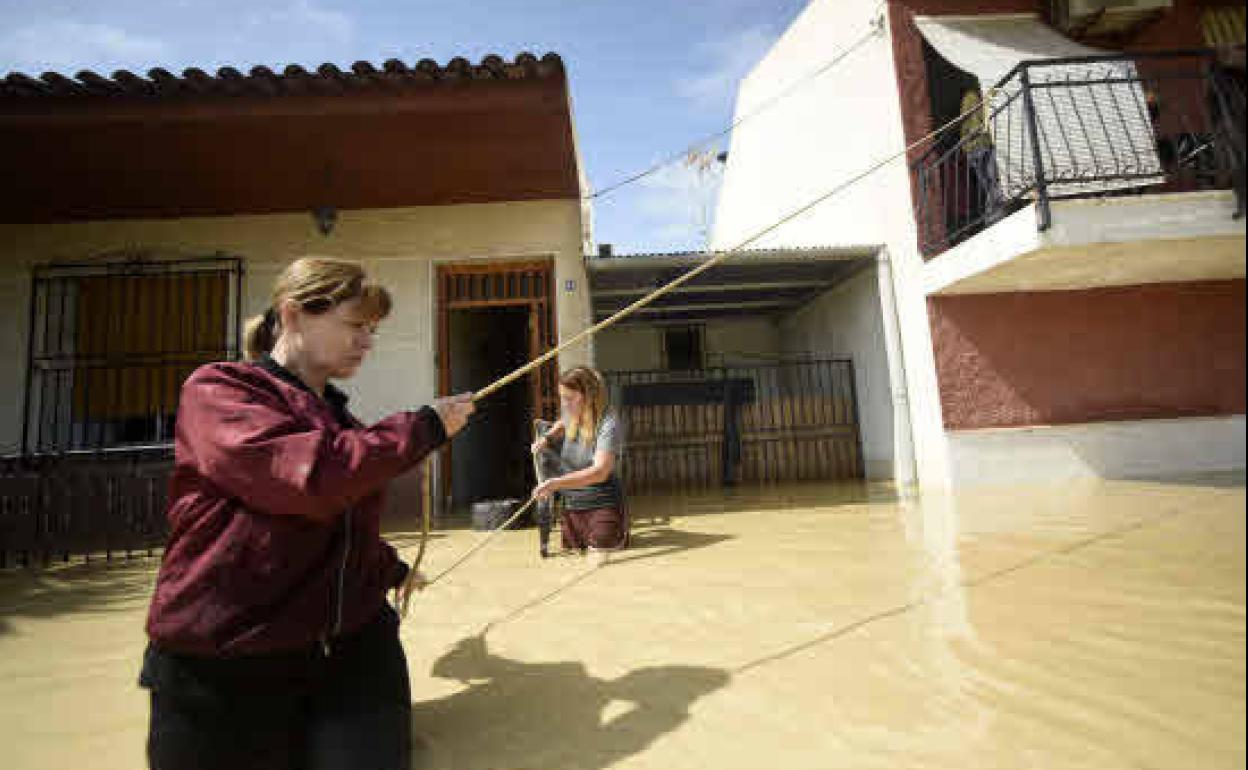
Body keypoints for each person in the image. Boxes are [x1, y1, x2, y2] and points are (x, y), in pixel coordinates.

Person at [139, 257, 475, 770]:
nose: (366, 342)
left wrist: (390, 569)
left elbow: (338, 526)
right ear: (293, 314)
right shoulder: (219, 391)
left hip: (349, 650)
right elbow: (310, 479)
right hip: (225, 661)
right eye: (355, 325)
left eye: (372, 330)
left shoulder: (345, 423)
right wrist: (423, 428)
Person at [530, 367, 627, 564]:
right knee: (570, 554)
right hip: (573, 508)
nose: (564, 404)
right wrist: (547, 438)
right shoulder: (571, 413)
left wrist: (555, 483)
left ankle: (621, 526)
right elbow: (561, 423)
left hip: (603, 505)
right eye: (562, 398)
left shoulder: (608, 423)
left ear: (588, 397)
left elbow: (600, 472)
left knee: (600, 552)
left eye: (569, 398)